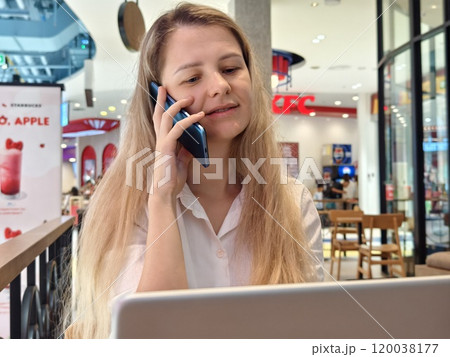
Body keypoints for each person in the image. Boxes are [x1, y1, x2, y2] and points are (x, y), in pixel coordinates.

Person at [64, 3, 323, 339]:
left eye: (230, 69)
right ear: (159, 98)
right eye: (192, 77)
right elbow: (151, 337)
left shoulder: (292, 202)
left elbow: (314, 327)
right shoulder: (125, 206)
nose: (219, 86)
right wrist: (162, 199)